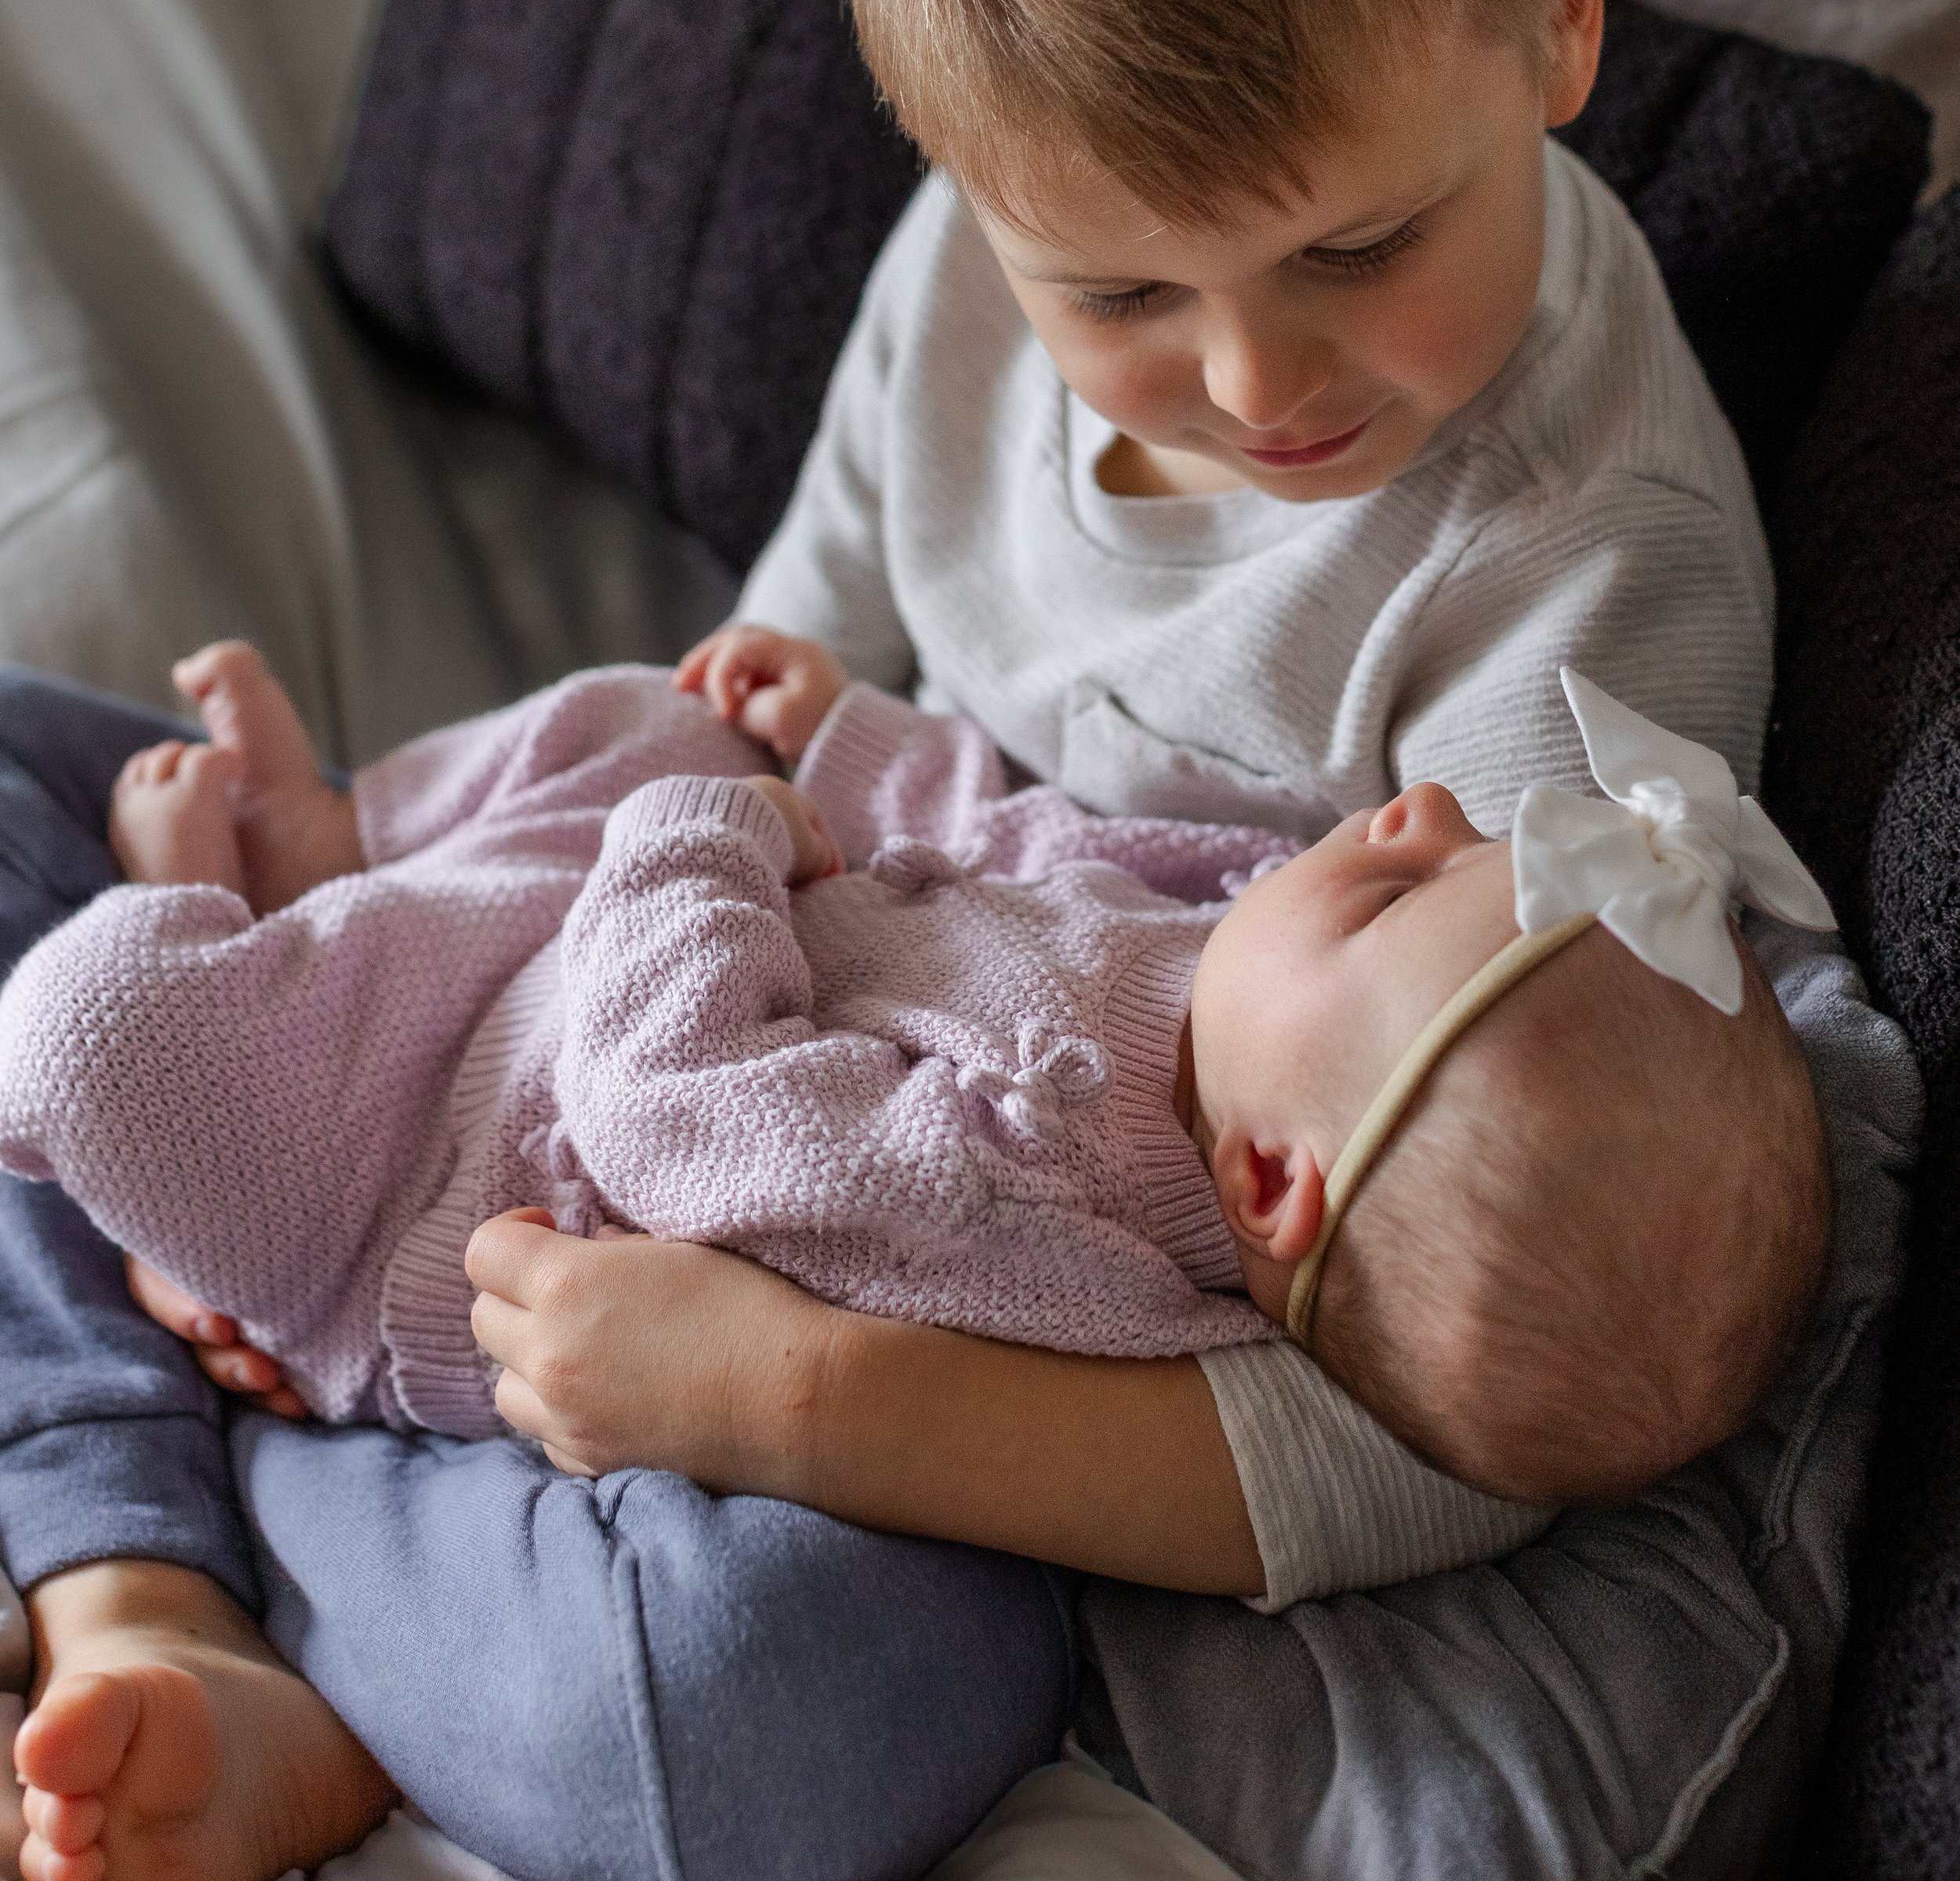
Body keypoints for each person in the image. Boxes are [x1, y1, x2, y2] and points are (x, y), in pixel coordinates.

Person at [0, 0, 1787, 1881]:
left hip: (965, 1308)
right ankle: (175, 1529)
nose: (1251, 376)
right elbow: (793, 638)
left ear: (1558, 18)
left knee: (753, 1711)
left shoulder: (1577, 603)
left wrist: (805, 1396)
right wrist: (448, 899)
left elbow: (1465, 1408)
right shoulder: (987, 232)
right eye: (1121, 295)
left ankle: (205, 1496)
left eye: (1358, 241)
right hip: (718, 968)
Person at [2, 645, 1831, 1523]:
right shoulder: (1236, 952)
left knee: (99, 1038)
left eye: (1400, 887)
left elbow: (668, 1106)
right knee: (656, 705)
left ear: (1271, 1187)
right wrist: (843, 740)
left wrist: (706, 833)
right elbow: (1026, 839)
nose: (1416, 812)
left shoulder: (1034, 1210)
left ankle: (203, 914)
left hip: (443, 1155)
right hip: (595, 935)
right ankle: (344, 855)